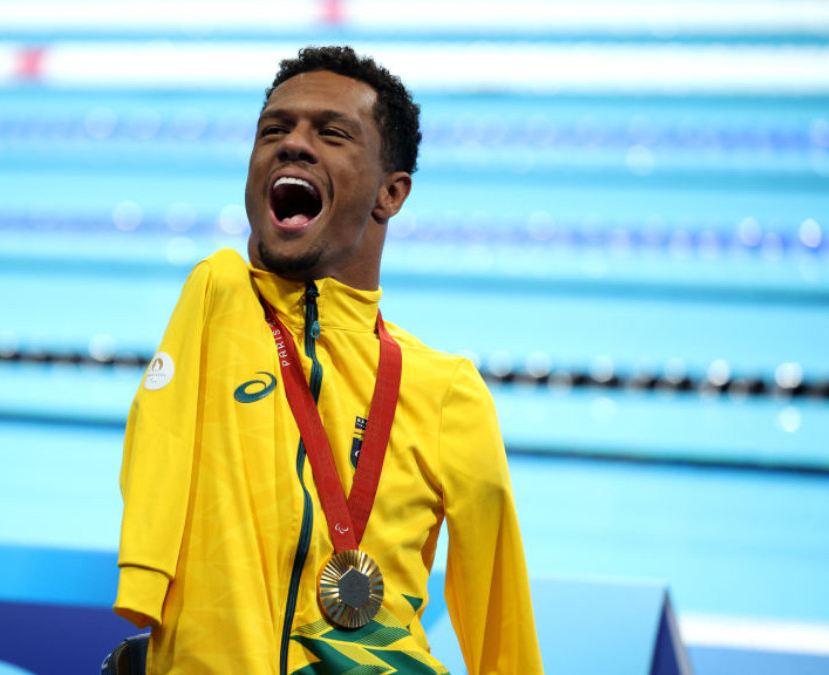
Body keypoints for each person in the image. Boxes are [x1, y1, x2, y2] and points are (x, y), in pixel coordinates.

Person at [114, 45, 543, 674]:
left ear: (390, 194)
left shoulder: (446, 390)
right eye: (274, 130)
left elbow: (502, 622)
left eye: (332, 133)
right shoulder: (217, 300)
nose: (293, 144)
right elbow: (159, 439)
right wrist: (145, 586)